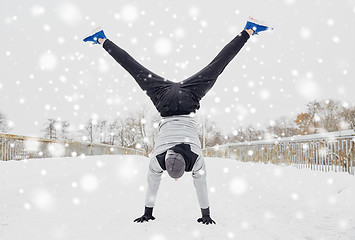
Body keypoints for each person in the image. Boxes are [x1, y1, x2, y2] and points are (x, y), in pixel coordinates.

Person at [83, 16, 272, 225]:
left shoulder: (196, 159)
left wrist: (206, 214)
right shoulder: (156, 159)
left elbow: (201, 186)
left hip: (189, 98)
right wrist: (148, 211)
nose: (174, 179)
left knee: (217, 65)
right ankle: (102, 39)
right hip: (164, 100)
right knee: (134, 69)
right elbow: (152, 185)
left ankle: (248, 31)